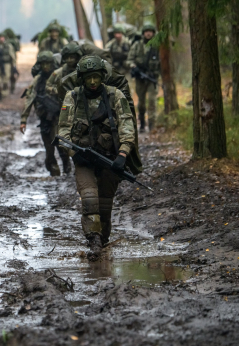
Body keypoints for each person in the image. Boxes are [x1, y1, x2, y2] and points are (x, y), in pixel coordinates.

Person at [57, 56, 140, 261]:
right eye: (88, 78)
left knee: (104, 205)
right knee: (89, 200)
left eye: (96, 77)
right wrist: (74, 153)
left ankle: (102, 239)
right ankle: (93, 240)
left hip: (110, 159)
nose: (92, 82)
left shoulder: (115, 95)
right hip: (83, 160)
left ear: (102, 76)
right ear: (81, 78)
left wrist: (123, 154)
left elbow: (127, 127)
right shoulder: (72, 97)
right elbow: (63, 133)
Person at [20, 51, 70, 176]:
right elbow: (29, 98)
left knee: (61, 145)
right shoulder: (38, 79)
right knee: (49, 148)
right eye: (43, 64)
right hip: (44, 119)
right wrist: (23, 120)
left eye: (48, 63)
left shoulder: (59, 76)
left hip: (59, 117)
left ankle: (67, 167)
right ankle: (54, 172)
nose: (46, 66)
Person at [127, 24, 160, 132]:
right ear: (143, 33)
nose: (148, 33)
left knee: (152, 101)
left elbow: (163, 62)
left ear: (154, 33)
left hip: (152, 78)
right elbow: (129, 60)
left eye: (150, 31)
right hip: (140, 78)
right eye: (146, 31)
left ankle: (152, 125)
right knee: (141, 103)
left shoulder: (156, 46)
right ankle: (141, 123)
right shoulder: (137, 45)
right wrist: (134, 67)